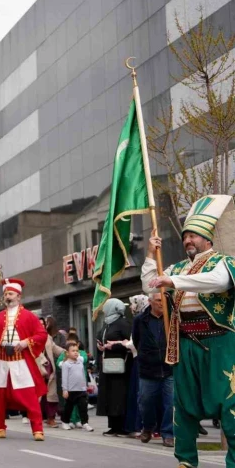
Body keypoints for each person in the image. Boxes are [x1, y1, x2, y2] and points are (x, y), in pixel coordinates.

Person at [142, 195, 235, 468]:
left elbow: (217, 283)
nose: (188, 241)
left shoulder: (224, 262)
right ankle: (185, 461)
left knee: (228, 401)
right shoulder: (178, 267)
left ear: (207, 239)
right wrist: (150, 254)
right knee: (182, 404)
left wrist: (173, 280)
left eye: (193, 236)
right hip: (184, 343)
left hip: (220, 343)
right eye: (185, 236)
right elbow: (151, 285)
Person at [0, 278, 48, 441]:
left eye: (10, 293)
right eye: (5, 294)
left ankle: (37, 429)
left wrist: (26, 342)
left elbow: (41, 335)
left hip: (20, 361)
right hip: (0, 361)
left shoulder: (29, 316)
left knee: (29, 395)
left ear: (18, 296)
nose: (7, 297)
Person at [130, 292, 174, 447]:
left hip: (168, 369)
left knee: (170, 403)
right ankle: (148, 427)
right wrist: (145, 355)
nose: (161, 303)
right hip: (148, 370)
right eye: (157, 300)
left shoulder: (171, 318)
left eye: (163, 300)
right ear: (150, 302)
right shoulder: (140, 320)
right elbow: (136, 341)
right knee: (145, 402)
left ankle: (168, 434)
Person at [96, 298, 132, 437]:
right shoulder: (107, 323)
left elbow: (130, 343)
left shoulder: (123, 323)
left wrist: (115, 345)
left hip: (120, 367)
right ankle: (113, 426)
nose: (104, 309)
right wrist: (100, 345)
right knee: (109, 396)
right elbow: (101, 337)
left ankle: (122, 426)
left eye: (106, 307)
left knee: (119, 396)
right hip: (107, 366)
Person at [60, 342, 93, 432]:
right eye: (73, 351)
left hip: (81, 390)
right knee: (68, 408)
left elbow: (82, 374)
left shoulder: (80, 361)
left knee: (83, 407)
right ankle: (65, 421)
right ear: (67, 353)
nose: (75, 353)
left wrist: (85, 387)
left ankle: (85, 423)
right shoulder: (66, 364)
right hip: (71, 390)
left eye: (77, 351)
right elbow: (64, 378)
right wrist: (65, 389)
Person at [42, 318, 65, 427]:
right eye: (40, 324)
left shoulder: (48, 338)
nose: (42, 326)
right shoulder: (29, 338)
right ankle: (35, 417)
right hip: (35, 369)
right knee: (36, 396)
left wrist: (69, 352)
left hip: (48, 370)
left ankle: (51, 418)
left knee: (51, 395)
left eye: (44, 324)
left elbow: (56, 349)